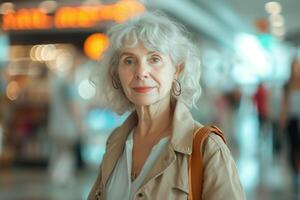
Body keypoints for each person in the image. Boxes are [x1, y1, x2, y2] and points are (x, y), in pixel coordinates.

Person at [88, 12, 245, 200]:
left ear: (177, 70)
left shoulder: (208, 149)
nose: (141, 72)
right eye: (129, 61)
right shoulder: (116, 142)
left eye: (154, 59)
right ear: (116, 74)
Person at [279, 57, 300, 193]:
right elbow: (285, 105)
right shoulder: (287, 85)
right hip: (292, 121)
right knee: (293, 148)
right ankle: (295, 176)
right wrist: (282, 120)